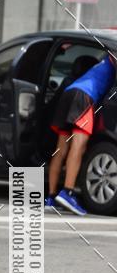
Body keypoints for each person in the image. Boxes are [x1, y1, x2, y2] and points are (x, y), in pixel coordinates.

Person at [46, 51, 116, 215]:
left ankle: (51, 196)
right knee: (79, 145)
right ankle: (68, 193)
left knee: (61, 149)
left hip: (69, 93)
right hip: (84, 96)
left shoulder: (104, 61)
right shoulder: (113, 57)